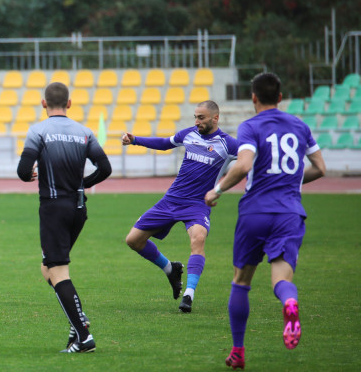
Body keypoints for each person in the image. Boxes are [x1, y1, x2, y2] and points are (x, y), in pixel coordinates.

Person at [205, 72, 326, 369]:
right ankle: (288, 303)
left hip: (255, 212)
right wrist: (291, 182)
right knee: (281, 280)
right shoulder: (300, 126)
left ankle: (238, 351)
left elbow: (244, 164)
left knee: (241, 281)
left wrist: (217, 189)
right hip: (289, 213)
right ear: (281, 97)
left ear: (254, 98)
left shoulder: (250, 126)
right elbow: (320, 168)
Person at [17, 82, 112, 353]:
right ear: (69, 104)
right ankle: (76, 322)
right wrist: (83, 183)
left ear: (44, 104)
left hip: (53, 208)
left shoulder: (38, 131)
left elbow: (24, 171)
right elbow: (105, 168)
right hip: (78, 209)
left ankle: (83, 336)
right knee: (49, 268)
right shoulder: (85, 132)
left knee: (57, 271)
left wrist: (31, 175)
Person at [121, 100, 238, 313]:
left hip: (197, 204)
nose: (197, 121)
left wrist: (220, 188)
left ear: (215, 118)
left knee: (198, 238)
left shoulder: (228, 144)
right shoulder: (189, 134)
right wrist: (135, 140)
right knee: (133, 240)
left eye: (201, 118)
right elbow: (165, 143)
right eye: (195, 117)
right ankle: (170, 269)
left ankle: (188, 295)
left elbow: (249, 161)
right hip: (171, 199)